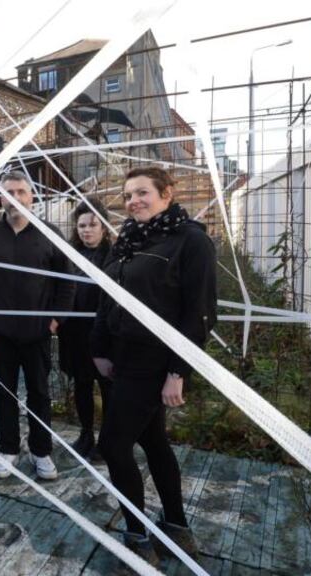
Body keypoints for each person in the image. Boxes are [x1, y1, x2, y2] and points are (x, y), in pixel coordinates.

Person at [90, 167, 216, 564]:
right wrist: (100, 348)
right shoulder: (128, 239)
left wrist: (178, 371)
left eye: (142, 193)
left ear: (167, 194)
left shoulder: (191, 241)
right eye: (128, 195)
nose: (133, 201)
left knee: (113, 444)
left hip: (154, 360)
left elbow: (199, 313)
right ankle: (177, 527)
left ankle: (137, 538)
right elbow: (106, 296)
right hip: (121, 358)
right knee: (152, 440)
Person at [0, 171, 74, 481]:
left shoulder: (49, 234)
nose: (15, 197)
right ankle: (8, 448)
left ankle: (41, 452)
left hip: (37, 332)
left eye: (21, 191)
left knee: (40, 393)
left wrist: (56, 319)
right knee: (4, 392)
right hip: (0, 332)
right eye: (9, 192)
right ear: (1, 198)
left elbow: (66, 283)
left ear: (32, 197)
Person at [60, 198, 113, 459]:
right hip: (75, 333)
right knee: (81, 384)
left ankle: (107, 439)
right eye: (81, 225)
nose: (86, 230)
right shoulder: (70, 254)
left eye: (92, 225)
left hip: (104, 335)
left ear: (103, 227)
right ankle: (85, 433)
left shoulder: (113, 257)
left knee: (107, 387)